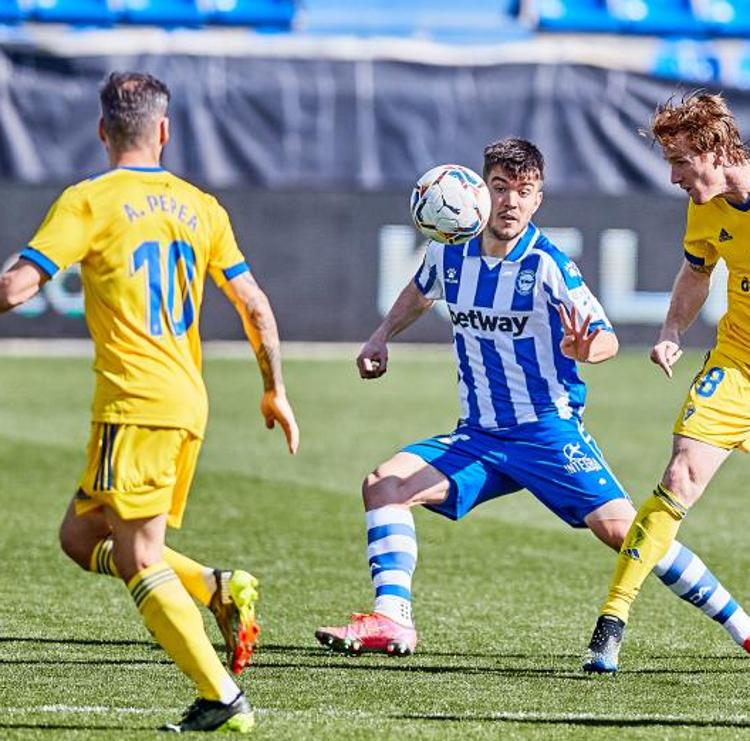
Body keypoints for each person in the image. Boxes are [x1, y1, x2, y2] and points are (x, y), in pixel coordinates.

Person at [314, 137, 750, 659]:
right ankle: (392, 618)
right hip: (478, 435)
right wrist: (381, 336)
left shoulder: (547, 264)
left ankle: (741, 625)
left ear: (538, 199)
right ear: (481, 190)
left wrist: (589, 348)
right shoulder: (449, 250)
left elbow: (605, 336)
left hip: (548, 433)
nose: (511, 202)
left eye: (524, 191)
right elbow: (420, 289)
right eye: (501, 188)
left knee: (625, 532)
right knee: (383, 486)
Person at [0, 71, 299, 732]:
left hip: (134, 403)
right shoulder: (201, 206)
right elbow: (253, 303)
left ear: (103, 130)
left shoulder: (88, 201)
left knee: (137, 557)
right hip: (188, 401)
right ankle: (217, 586)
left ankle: (220, 693)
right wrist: (274, 387)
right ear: (164, 130)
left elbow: (16, 288)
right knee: (81, 538)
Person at [584, 91, 750, 673]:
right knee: (678, 475)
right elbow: (696, 270)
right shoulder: (706, 209)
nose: (674, 177)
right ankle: (612, 621)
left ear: (713, 148)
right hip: (737, 367)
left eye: (680, 161)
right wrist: (672, 328)